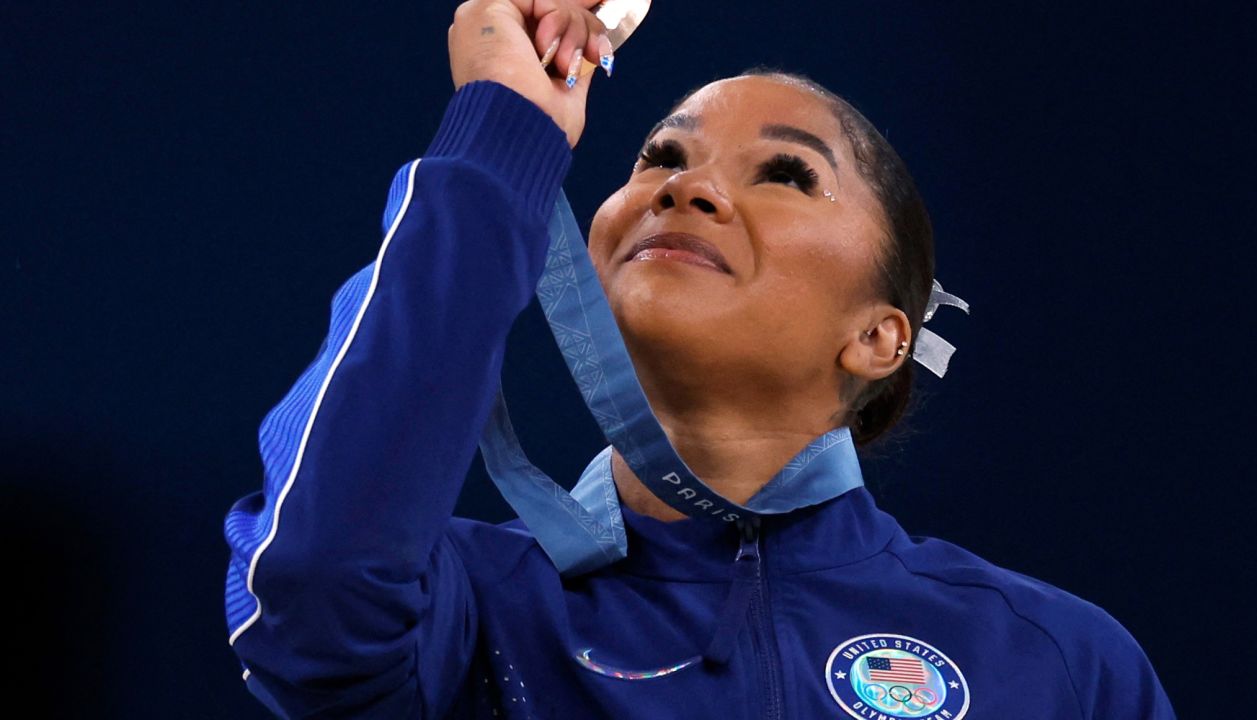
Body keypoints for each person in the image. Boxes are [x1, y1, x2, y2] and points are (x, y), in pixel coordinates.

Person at [223, 1, 1176, 717]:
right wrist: (501, 132)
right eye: (658, 156)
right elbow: (309, 596)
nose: (690, 189)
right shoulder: (470, 608)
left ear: (882, 336)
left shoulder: (1057, 662)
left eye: (788, 174)